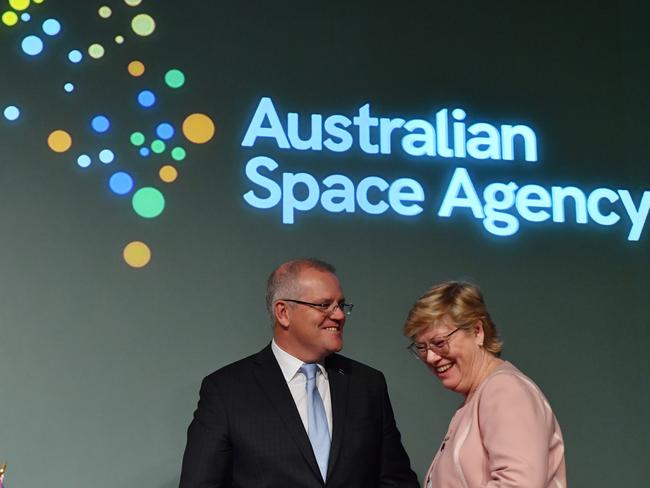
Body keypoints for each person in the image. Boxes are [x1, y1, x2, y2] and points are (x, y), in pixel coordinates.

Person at [180, 258, 419, 488]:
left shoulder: (367, 384)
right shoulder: (226, 391)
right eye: (324, 305)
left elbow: (396, 480)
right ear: (283, 312)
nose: (339, 315)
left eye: (341, 305)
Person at [403, 281, 566, 488]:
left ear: (477, 331)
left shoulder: (506, 390)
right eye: (422, 347)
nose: (431, 357)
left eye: (439, 343)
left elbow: (518, 484)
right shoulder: (480, 396)